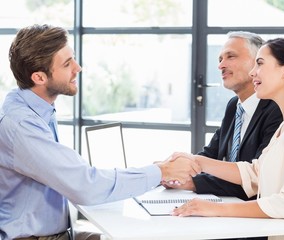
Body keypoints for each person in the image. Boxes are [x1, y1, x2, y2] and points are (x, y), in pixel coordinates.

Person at [0, 24, 200, 240]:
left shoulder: (36, 107)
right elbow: (85, 185)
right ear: (39, 78)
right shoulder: (21, 125)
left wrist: (155, 174)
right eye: (67, 64)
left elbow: (76, 178)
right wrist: (161, 171)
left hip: (59, 233)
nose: (78, 68)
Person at [171, 38, 284, 239]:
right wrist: (199, 162)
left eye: (260, 63)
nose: (252, 72)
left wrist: (216, 208)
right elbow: (256, 173)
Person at [163, 31, 282, 202]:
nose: (221, 66)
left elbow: (254, 180)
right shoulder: (234, 106)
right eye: (220, 59)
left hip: (254, 215)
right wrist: (175, 170)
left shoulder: (276, 110)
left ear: (258, 63)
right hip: (225, 205)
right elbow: (210, 154)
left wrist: (191, 183)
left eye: (230, 56)